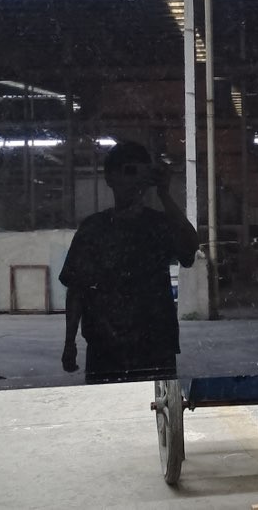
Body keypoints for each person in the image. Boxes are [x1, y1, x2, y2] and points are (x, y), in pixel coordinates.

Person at [59, 141, 200, 383]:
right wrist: (69, 341)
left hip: (153, 345)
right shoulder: (93, 229)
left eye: (139, 170)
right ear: (110, 177)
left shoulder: (159, 225)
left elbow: (189, 250)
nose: (133, 179)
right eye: (128, 170)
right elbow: (77, 289)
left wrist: (165, 194)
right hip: (106, 345)